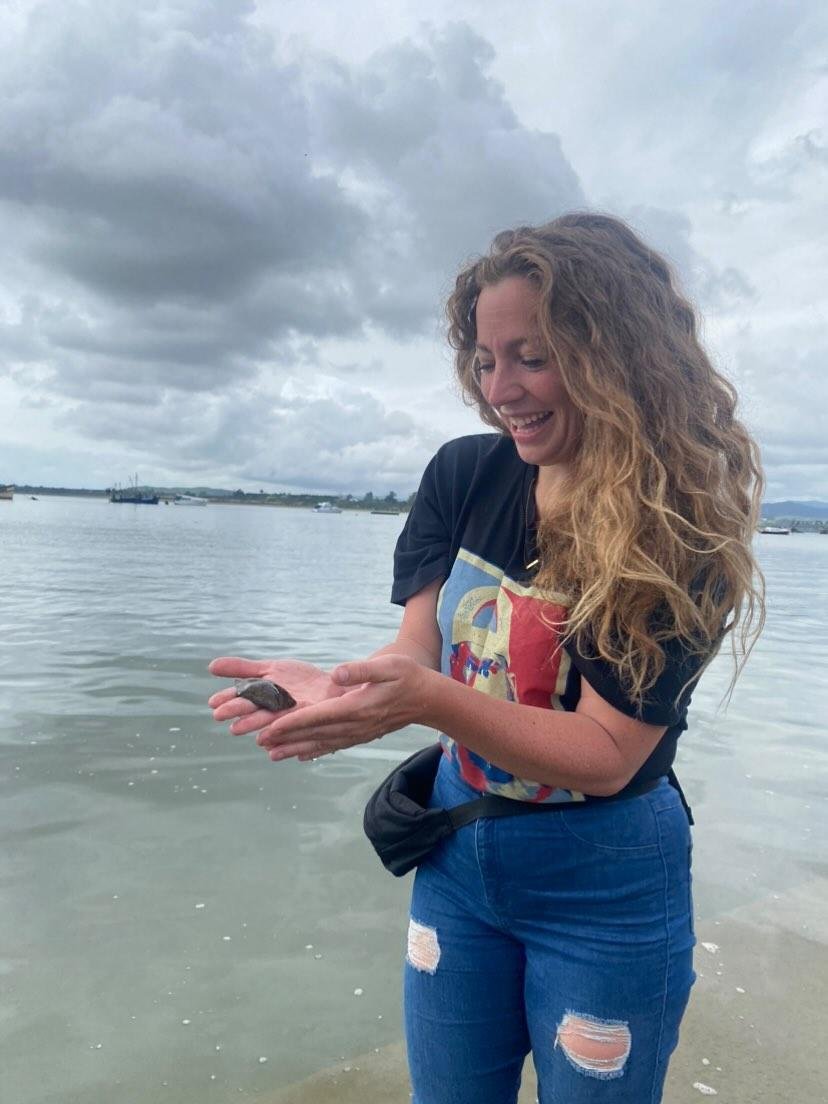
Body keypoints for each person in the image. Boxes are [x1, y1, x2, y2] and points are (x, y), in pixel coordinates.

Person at [208, 212, 764, 1103]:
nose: (500, 387)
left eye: (532, 356)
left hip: (608, 880)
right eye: (484, 358)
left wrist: (425, 702)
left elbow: (607, 756)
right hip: (459, 857)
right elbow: (419, 648)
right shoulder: (466, 474)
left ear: (616, 355)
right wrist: (356, 690)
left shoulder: (678, 526)